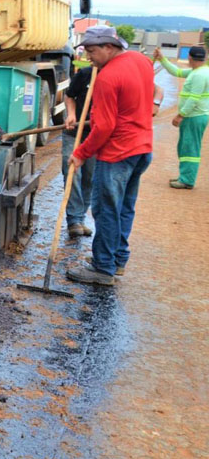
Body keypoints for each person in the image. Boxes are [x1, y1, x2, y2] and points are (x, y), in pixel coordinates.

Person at [66, 25, 153, 286]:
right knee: (124, 207)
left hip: (117, 153)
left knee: (105, 210)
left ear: (109, 47)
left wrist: (81, 152)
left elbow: (104, 127)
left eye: (92, 51)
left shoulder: (107, 76)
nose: (88, 56)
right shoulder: (141, 61)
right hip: (142, 148)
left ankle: (103, 268)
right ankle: (118, 260)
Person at [154, 45, 209, 189]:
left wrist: (180, 115)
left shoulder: (199, 75)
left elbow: (193, 98)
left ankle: (187, 180)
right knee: (185, 147)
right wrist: (162, 59)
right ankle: (185, 176)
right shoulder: (198, 71)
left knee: (190, 148)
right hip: (194, 116)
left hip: (194, 116)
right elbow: (176, 71)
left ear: (189, 57)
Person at [61, 64, 96, 238]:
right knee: (72, 173)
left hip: (97, 137)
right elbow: (69, 95)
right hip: (75, 133)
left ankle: (80, 218)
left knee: (90, 178)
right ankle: (73, 220)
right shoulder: (85, 73)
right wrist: (71, 113)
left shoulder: (116, 75)